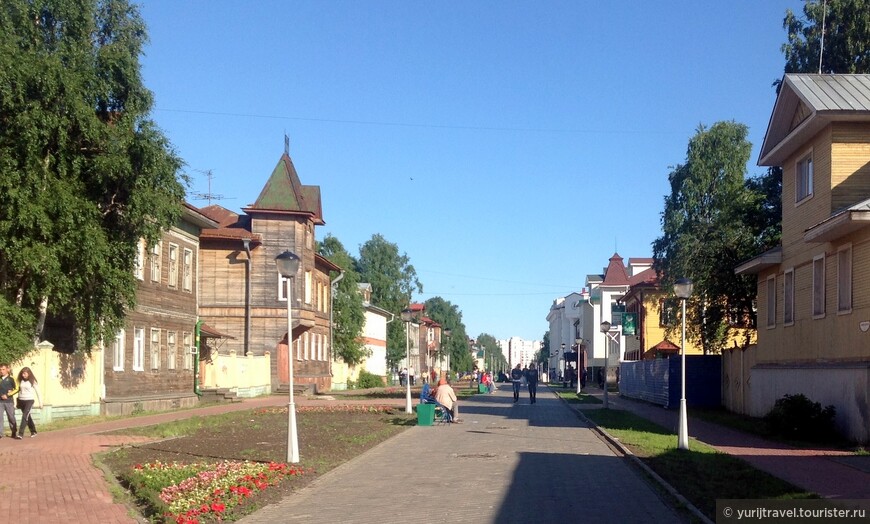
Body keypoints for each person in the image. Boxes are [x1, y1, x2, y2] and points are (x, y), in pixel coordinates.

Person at [16, 367, 41, 438]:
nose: (23, 375)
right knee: (27, 416)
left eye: (24, 373)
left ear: (29, 373)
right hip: (21, 401)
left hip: (29, 400)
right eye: (22, 373)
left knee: (24, 416)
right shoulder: (21, 381)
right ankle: (33, 431)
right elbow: (19, 391)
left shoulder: (32, 381)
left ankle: (20, 434)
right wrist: (17, 402)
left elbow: (38, 392)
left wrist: (40, 403)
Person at [0, 364, 18, 438]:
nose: (1, 371)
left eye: (3, 369)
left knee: (11, 417)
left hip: (9, 401)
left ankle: (14, 432)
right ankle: (0, 434)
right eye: (0, 369)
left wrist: (7, 395)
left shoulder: (12, 378)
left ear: (7, 369)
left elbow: (17, 389)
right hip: (0, 402)